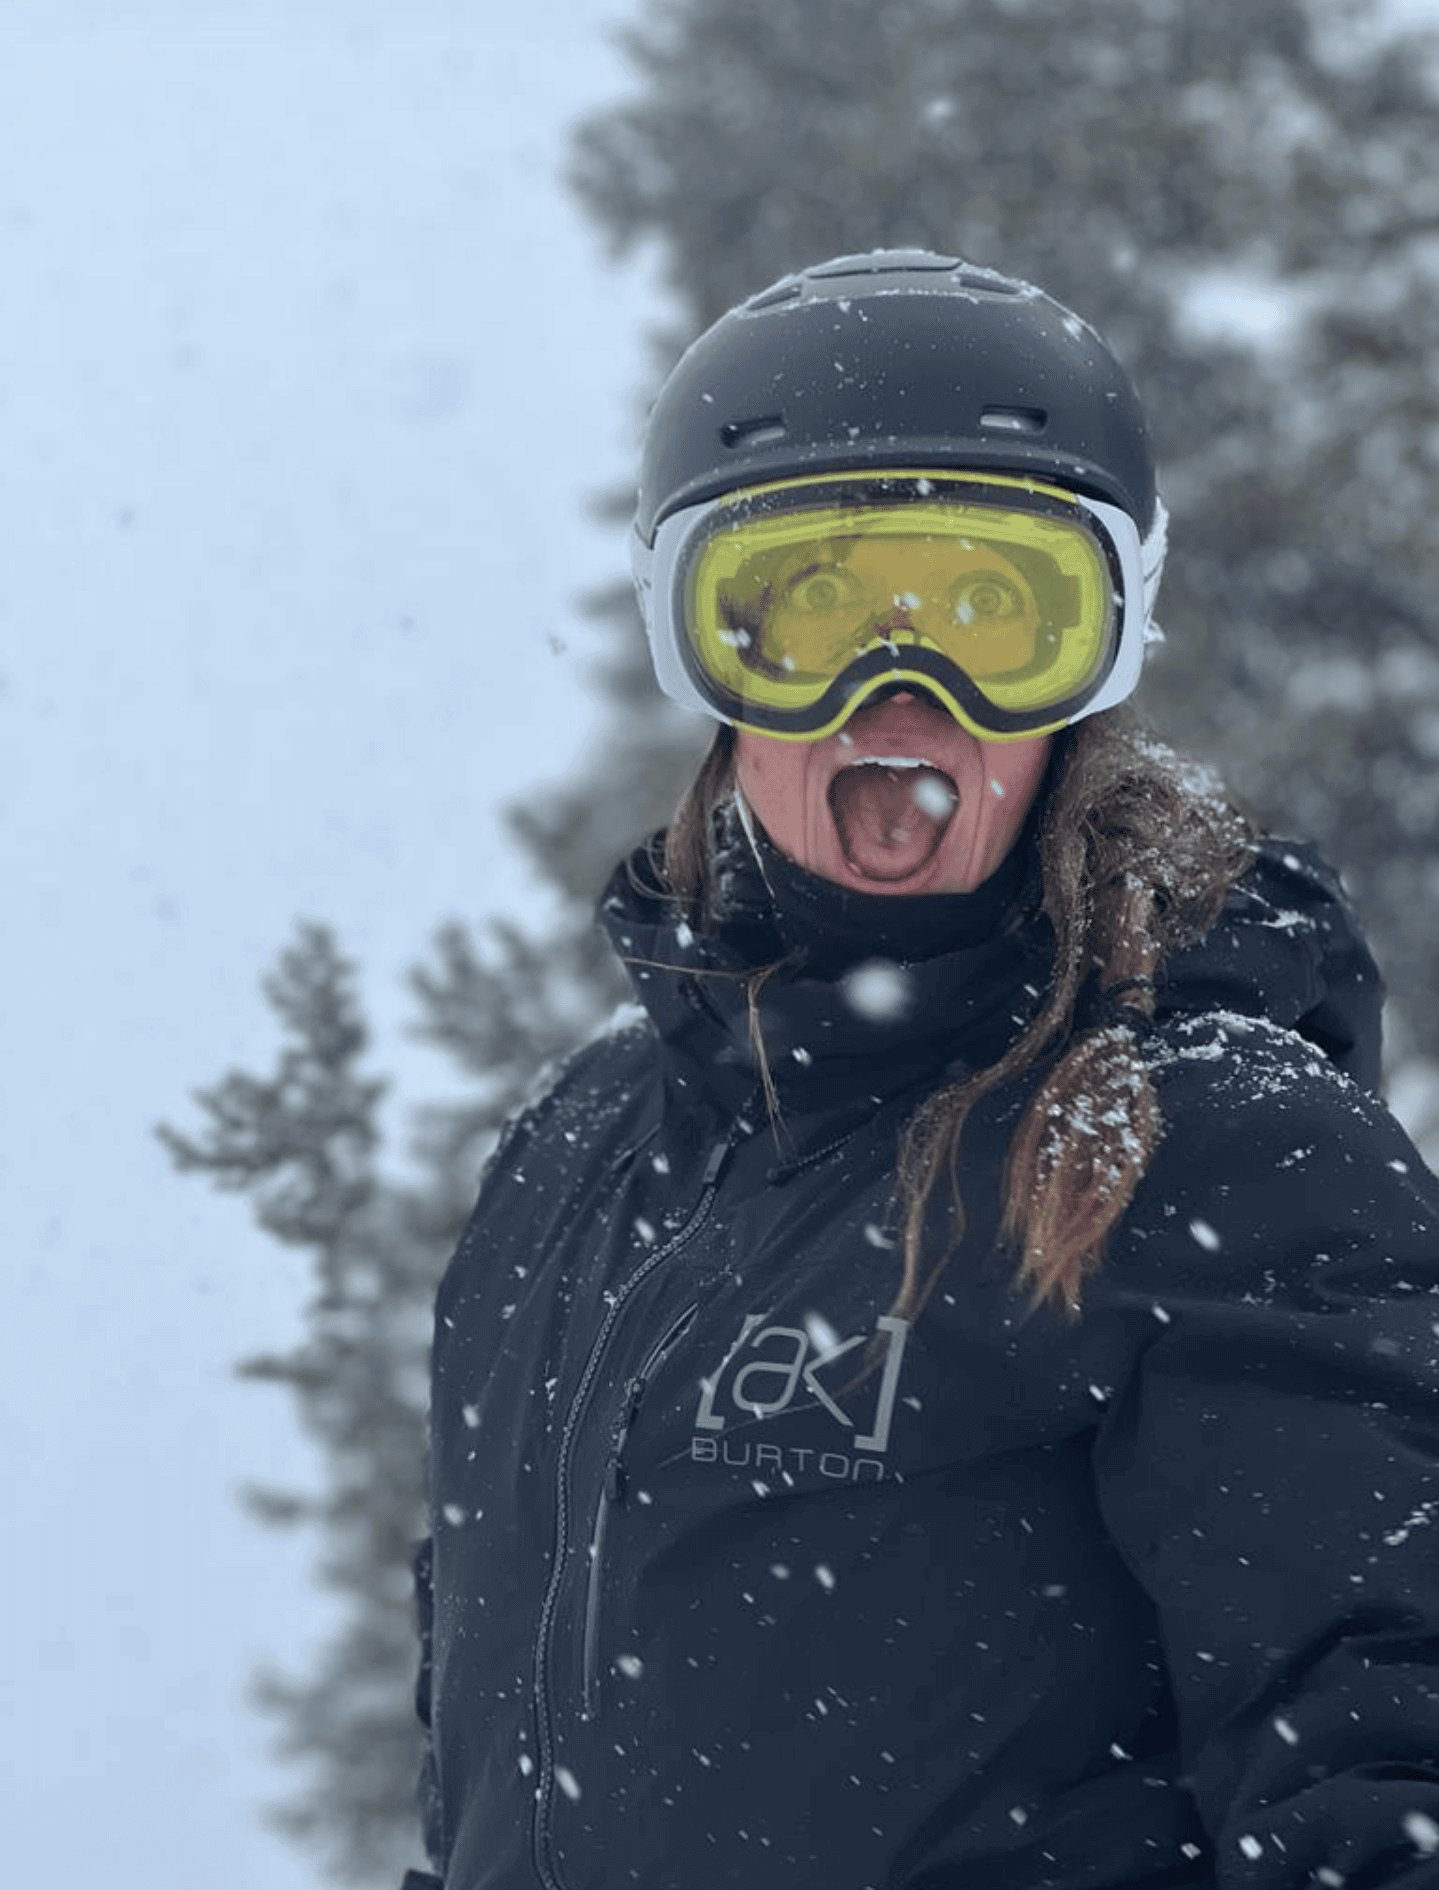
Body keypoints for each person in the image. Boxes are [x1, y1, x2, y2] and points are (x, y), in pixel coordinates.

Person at [404, 251, 1439, 1890]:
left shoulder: (1217, 1143)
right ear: (703, 647)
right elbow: (499, 1749)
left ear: (1097, 654)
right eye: (806, 611)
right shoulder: (579, 1145)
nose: (903, 702)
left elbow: (1384, 1745)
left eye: (993, 612)